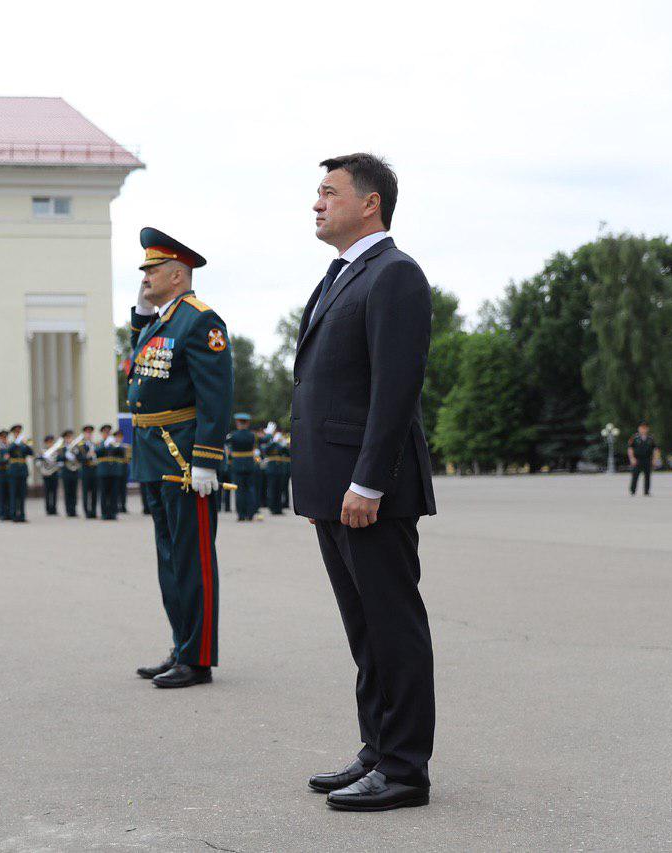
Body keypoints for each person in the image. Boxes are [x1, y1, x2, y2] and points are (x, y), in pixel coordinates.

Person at [293, 154, 437, 811]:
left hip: (367, 490)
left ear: (370, 203)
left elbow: (396, 386)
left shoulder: (395, 273)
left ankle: (405, 768)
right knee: (364, 630)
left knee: (391, 624)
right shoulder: (341, 275)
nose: (317, 203)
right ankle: (377, 747)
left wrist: (370, 480)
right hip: (335, 487)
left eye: (330, 192)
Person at [129, 226, 232, 688]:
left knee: (192, 559)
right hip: (154, 454)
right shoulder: (162, 320)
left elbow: (216, 394)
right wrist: (141, 311)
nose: (145, 276)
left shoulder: (200, 320)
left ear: (177, 274)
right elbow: (144, 364)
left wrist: (207, 457)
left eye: (152, 270)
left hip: (184, 455)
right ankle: (180, 645)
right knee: (169, 560)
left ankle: (199, 658)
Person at [226, 415, 258, 521]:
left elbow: (227, 446)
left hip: (237, 464)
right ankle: (250, 514)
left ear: (238, 423)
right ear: (247, 423)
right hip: (249, 463)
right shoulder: (252, 435)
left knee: (239, 490)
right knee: (250, 489)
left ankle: (241, 515)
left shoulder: (233, 436)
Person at [7, 424, 33, 522]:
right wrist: (16, 442)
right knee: (13, 494)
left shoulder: (24, 444)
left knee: (22, 494)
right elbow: (9, 451)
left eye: (19, 432)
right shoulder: (11, 443)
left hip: (22, 471)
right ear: (13, 433)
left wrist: (26, 444)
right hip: (13, 471)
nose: (18, 434)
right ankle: (14, 515)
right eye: (16, 432)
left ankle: (22, 515)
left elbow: (31, 453)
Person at [98, 428, 122, 520]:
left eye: (108, 432)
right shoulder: (100, 443)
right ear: (102, 434)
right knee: (104, 493)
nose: (107, 434)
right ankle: (104, 513)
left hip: (114, 472)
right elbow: (97, 452)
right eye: (105, 432)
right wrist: (105, 445)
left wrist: (115, 445)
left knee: (114, 493)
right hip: (103, 472)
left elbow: (121, 453)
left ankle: (113, 513)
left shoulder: (115, 444)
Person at [628, 421, 656, 497]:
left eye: (645, 428)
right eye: (642, 428)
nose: (643, 430)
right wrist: (632, 458)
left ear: (647, 429)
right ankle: (633, 490)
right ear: (639, 429)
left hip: (647, 459)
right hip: (637, 459)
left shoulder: (651, 438)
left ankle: (646, 491)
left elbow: (655, 450)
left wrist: (654, 459)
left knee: (647, 476)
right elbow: (630, 449)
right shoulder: (634, 438)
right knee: (635, 476)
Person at [79, 424, 99, 519]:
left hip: (95, 470)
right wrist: (88, 455)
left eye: (90, 433)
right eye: (87, 432)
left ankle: (94, 511)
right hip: (86, 471)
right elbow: (79, 458)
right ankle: (87, 512)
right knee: (86, 492)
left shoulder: (95, 445)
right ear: (84, 433)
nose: (89, 434)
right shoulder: (81, 446)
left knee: (95, 492)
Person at [59, 429, 81, 517]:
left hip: (75, 471)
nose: (69, 439)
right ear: (65, 439)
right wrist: (65, 456)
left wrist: (76, 454)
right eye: (67, 437)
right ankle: (68, 510)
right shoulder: (62, 448)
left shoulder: (76, 448)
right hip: (66, 472)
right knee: (67, 492)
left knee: (74, 492)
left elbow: (81, 458)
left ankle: (74, 510)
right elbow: (58, 459)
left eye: (71, 437)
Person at [39, 434, 61, 515]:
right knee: (47, 492)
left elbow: (58, 461)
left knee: (54, 492)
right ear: (46, 443)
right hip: (46, 474)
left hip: (54, 473)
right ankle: (48, 509)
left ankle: (54, 509)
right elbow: (39, 463)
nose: (50, 444)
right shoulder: (43, 452)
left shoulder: (56, 451)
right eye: (48, 442)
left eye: (51, 442)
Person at [116, 430, 131, 512]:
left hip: (124, 470)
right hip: (116, 470)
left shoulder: (126, 446)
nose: (119, 438)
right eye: (117, 437)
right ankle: (116, 505)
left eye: (120, 437)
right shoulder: (113, 446)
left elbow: (129, 458)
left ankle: (123, 506)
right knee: (116, 489)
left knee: (123, 489)